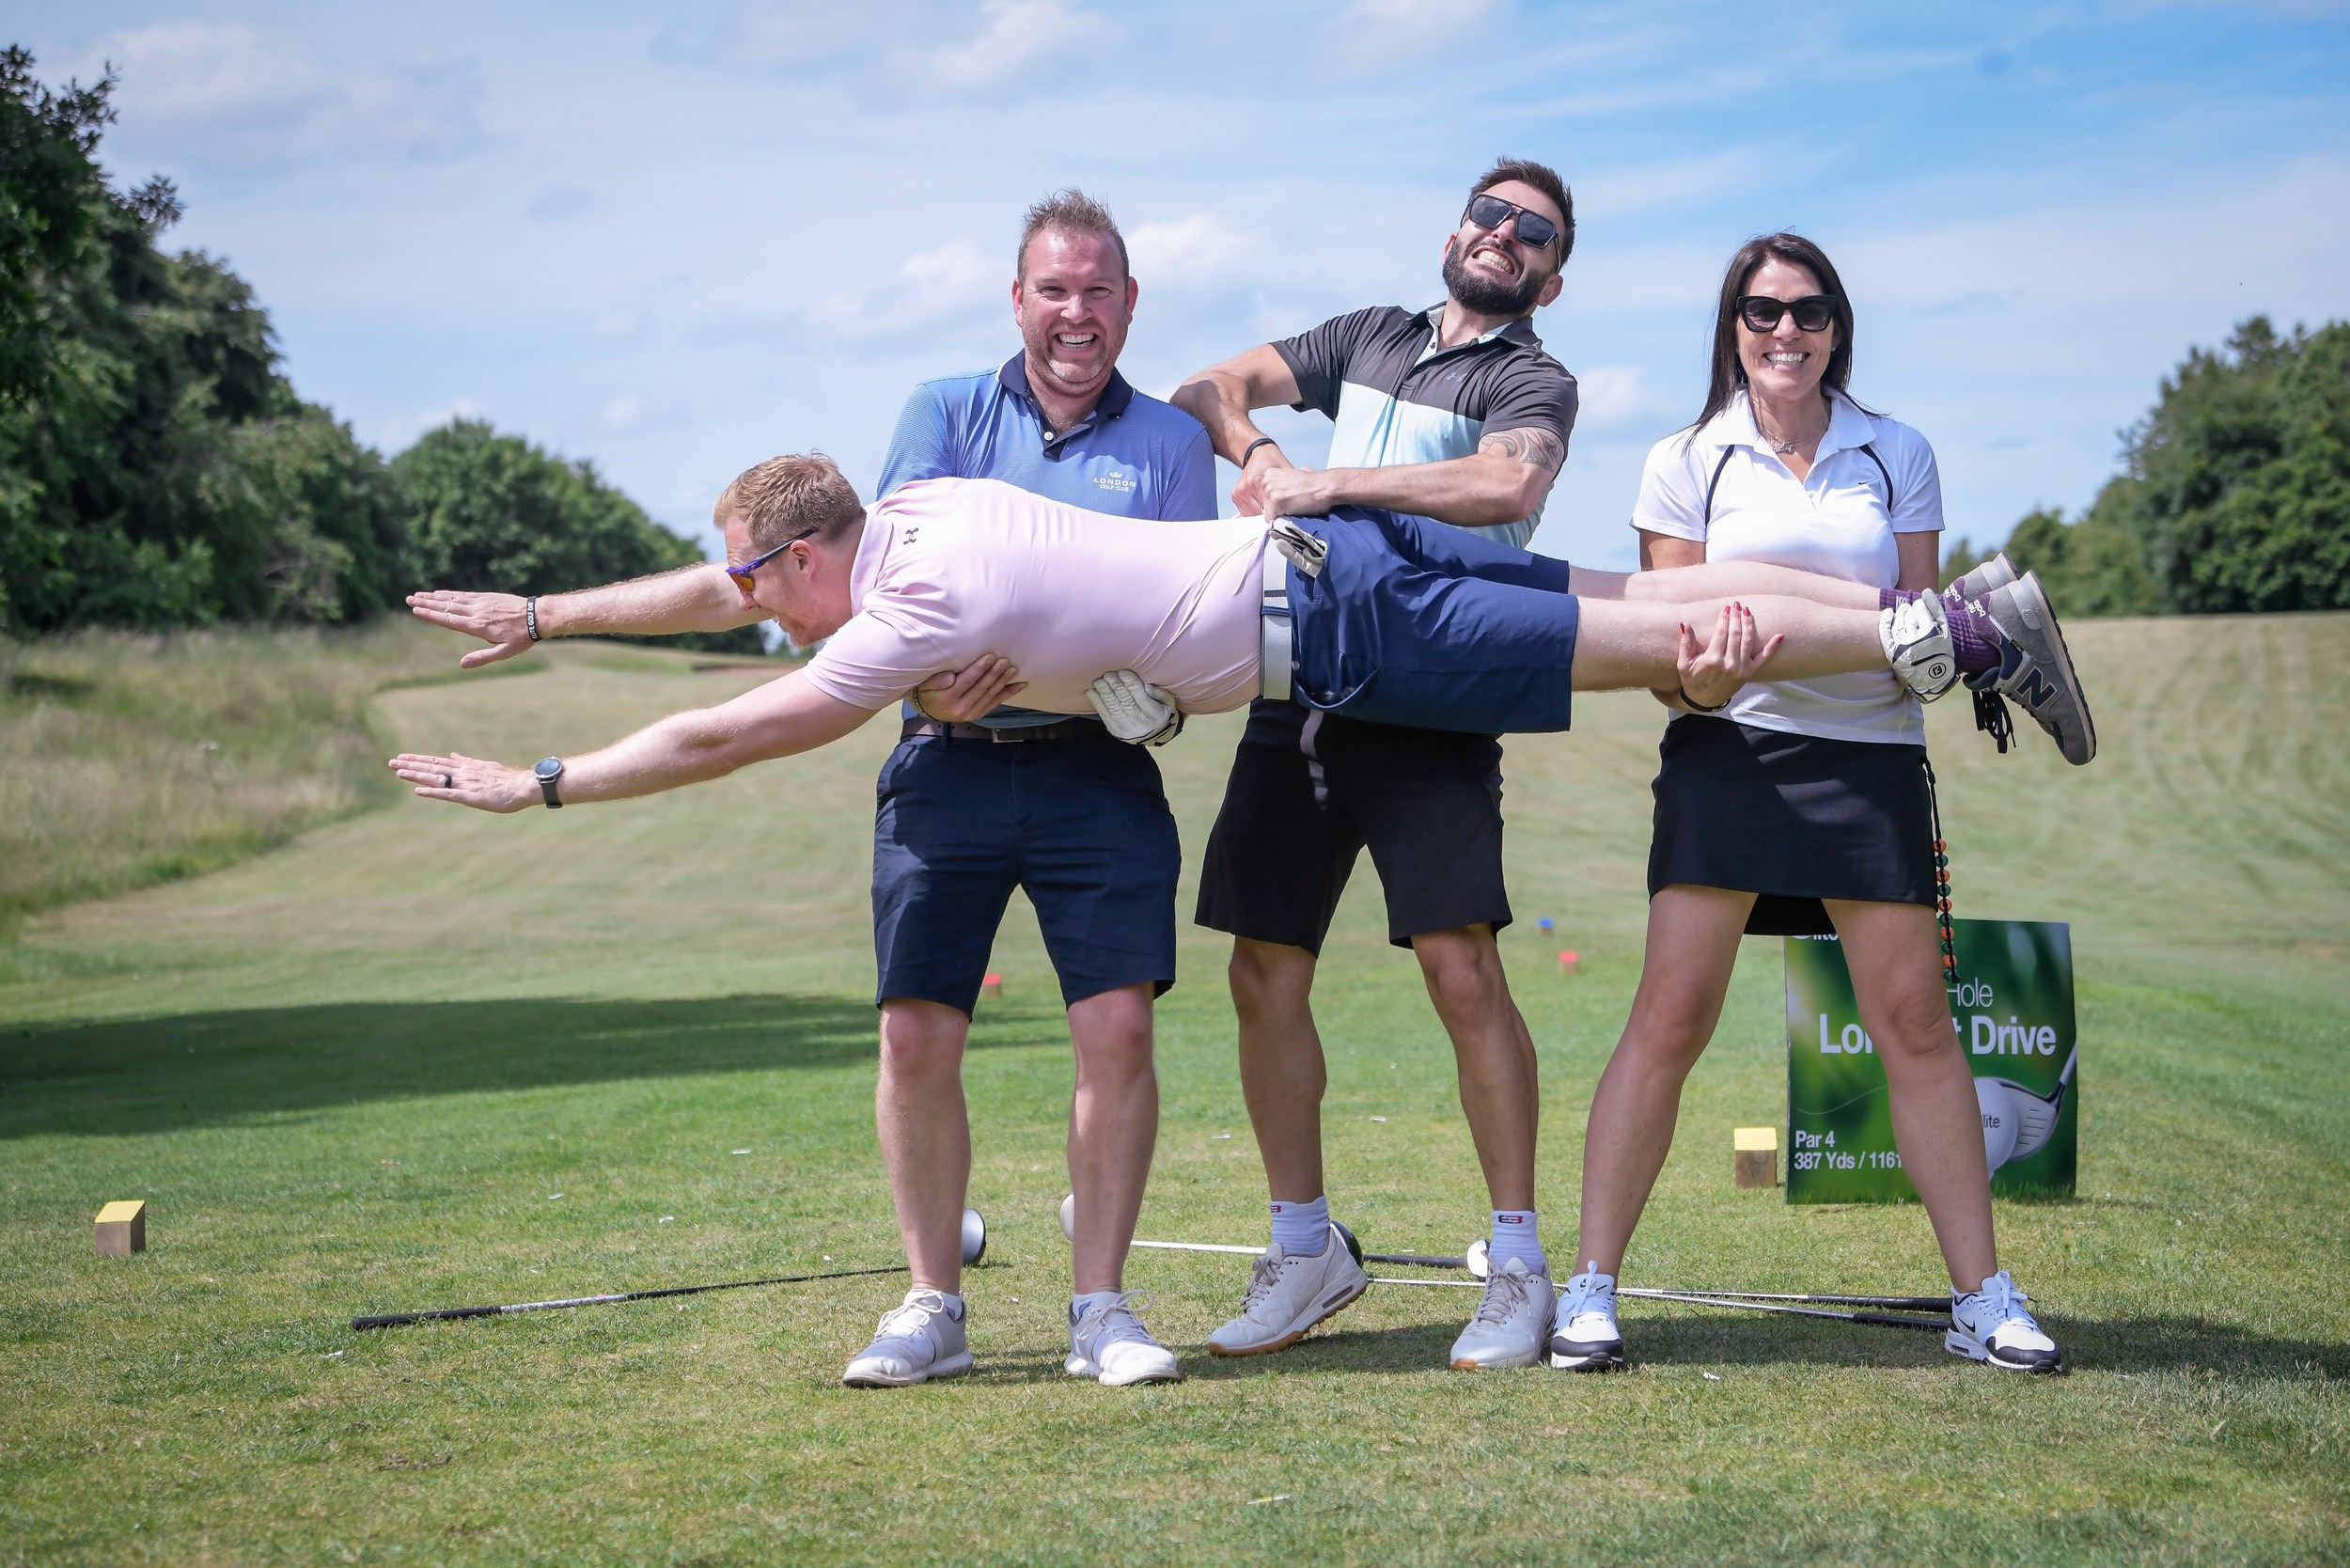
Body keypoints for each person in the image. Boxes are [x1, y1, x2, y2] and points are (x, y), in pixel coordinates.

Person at [407, 192, 1216, 1392]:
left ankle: (1100, 1309)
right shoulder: (941, 412)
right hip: (945, 765)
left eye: (1097, 290)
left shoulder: (1171, 446)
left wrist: (1154, 699)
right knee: (914, 1032)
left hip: (1095, 767)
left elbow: (1178, 622)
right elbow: (843, 579)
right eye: (1053, 289)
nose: (1075, 312)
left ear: (1130, 302)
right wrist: (546, 616)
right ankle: (934, 1306)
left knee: (1118, 1028)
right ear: (1017, 300)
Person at [393, 455, 2080, 906]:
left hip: (1340, 637)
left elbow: (721, 731)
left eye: (759, 585)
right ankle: (1944, 599)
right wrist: (548, 614)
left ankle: (1945, 642)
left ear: (801, 559)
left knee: (1646, 646)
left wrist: (547, 782)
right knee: (1643, 590)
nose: (748, 608)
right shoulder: (912, 506)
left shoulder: (904, 614)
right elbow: (719, 592)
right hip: (1338, 551)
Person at [1545, 233, 2085, 1381]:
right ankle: (1589, 1288)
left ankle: (1980, 1299)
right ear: (1731, 327)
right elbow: (1668, 660)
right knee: (1668, 1019)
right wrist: (1710, 677)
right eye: (1760, 311)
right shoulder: (1685, 458)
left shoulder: (1896, 450)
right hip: (1728, 749)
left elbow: (1913, 643)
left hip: (1868, 760)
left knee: (1917, 1026)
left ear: (1838, 326)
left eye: (1806, 310)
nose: (1783, 331)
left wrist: (1921, 648)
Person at [1169, 156, 1581, 1369]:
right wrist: (1255, 450)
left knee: (1461, 972)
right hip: (1304, 683)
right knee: (1261, 968)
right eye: (1490, 214)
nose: (1504, 235)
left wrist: (1328, 482)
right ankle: (1305, 1251)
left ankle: (1519, 1265)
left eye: (1535, 233)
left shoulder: (1532, 377)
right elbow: (1206, 385)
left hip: (1437, 696)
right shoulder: (1367, 335)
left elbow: (1507, 480)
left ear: (1551, 279)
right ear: (1455, 232)